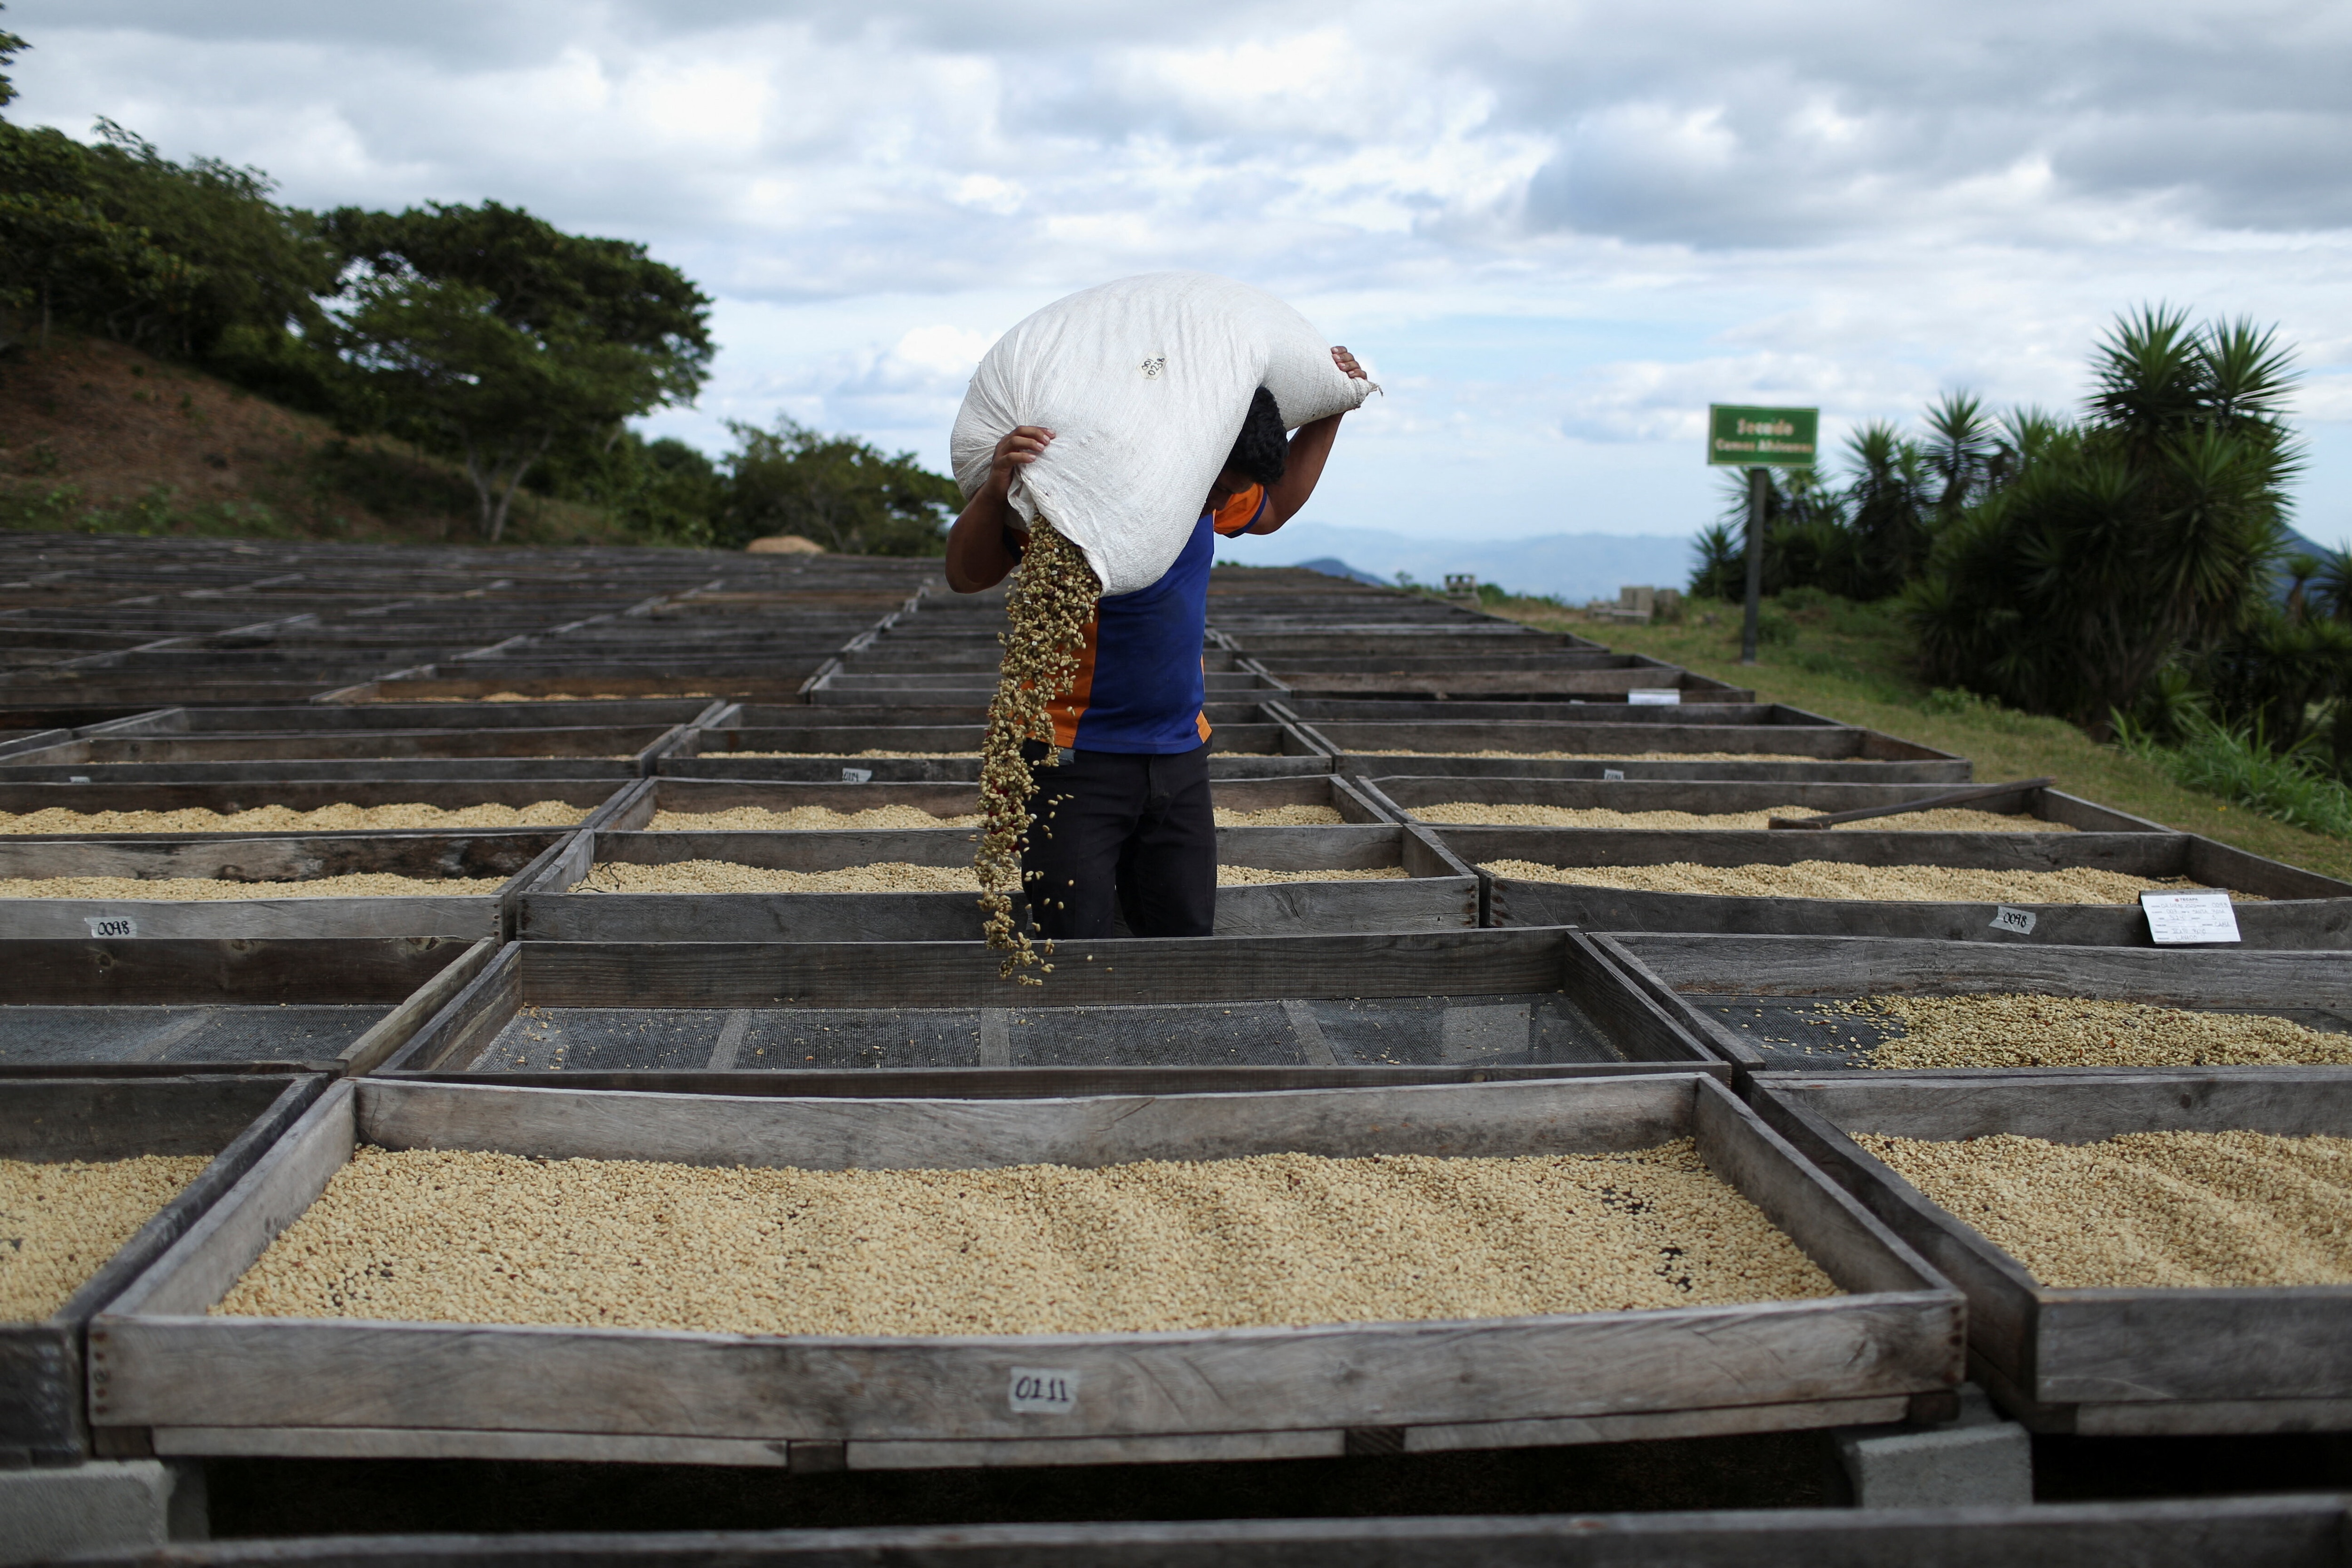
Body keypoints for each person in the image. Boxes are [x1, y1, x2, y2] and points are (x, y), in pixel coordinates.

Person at [945, 346, 1367, 939]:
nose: (1220, 505)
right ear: (1192, 457)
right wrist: (994, 490)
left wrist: (1332, 407)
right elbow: (966, 576)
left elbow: (1271, 509)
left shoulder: (1206, 491)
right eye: (1218, 489)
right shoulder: (1078, 499)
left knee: (1183, 940)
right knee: (1074, 950)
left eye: (1229, 492)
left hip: (1178, 755)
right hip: (1072, 760)